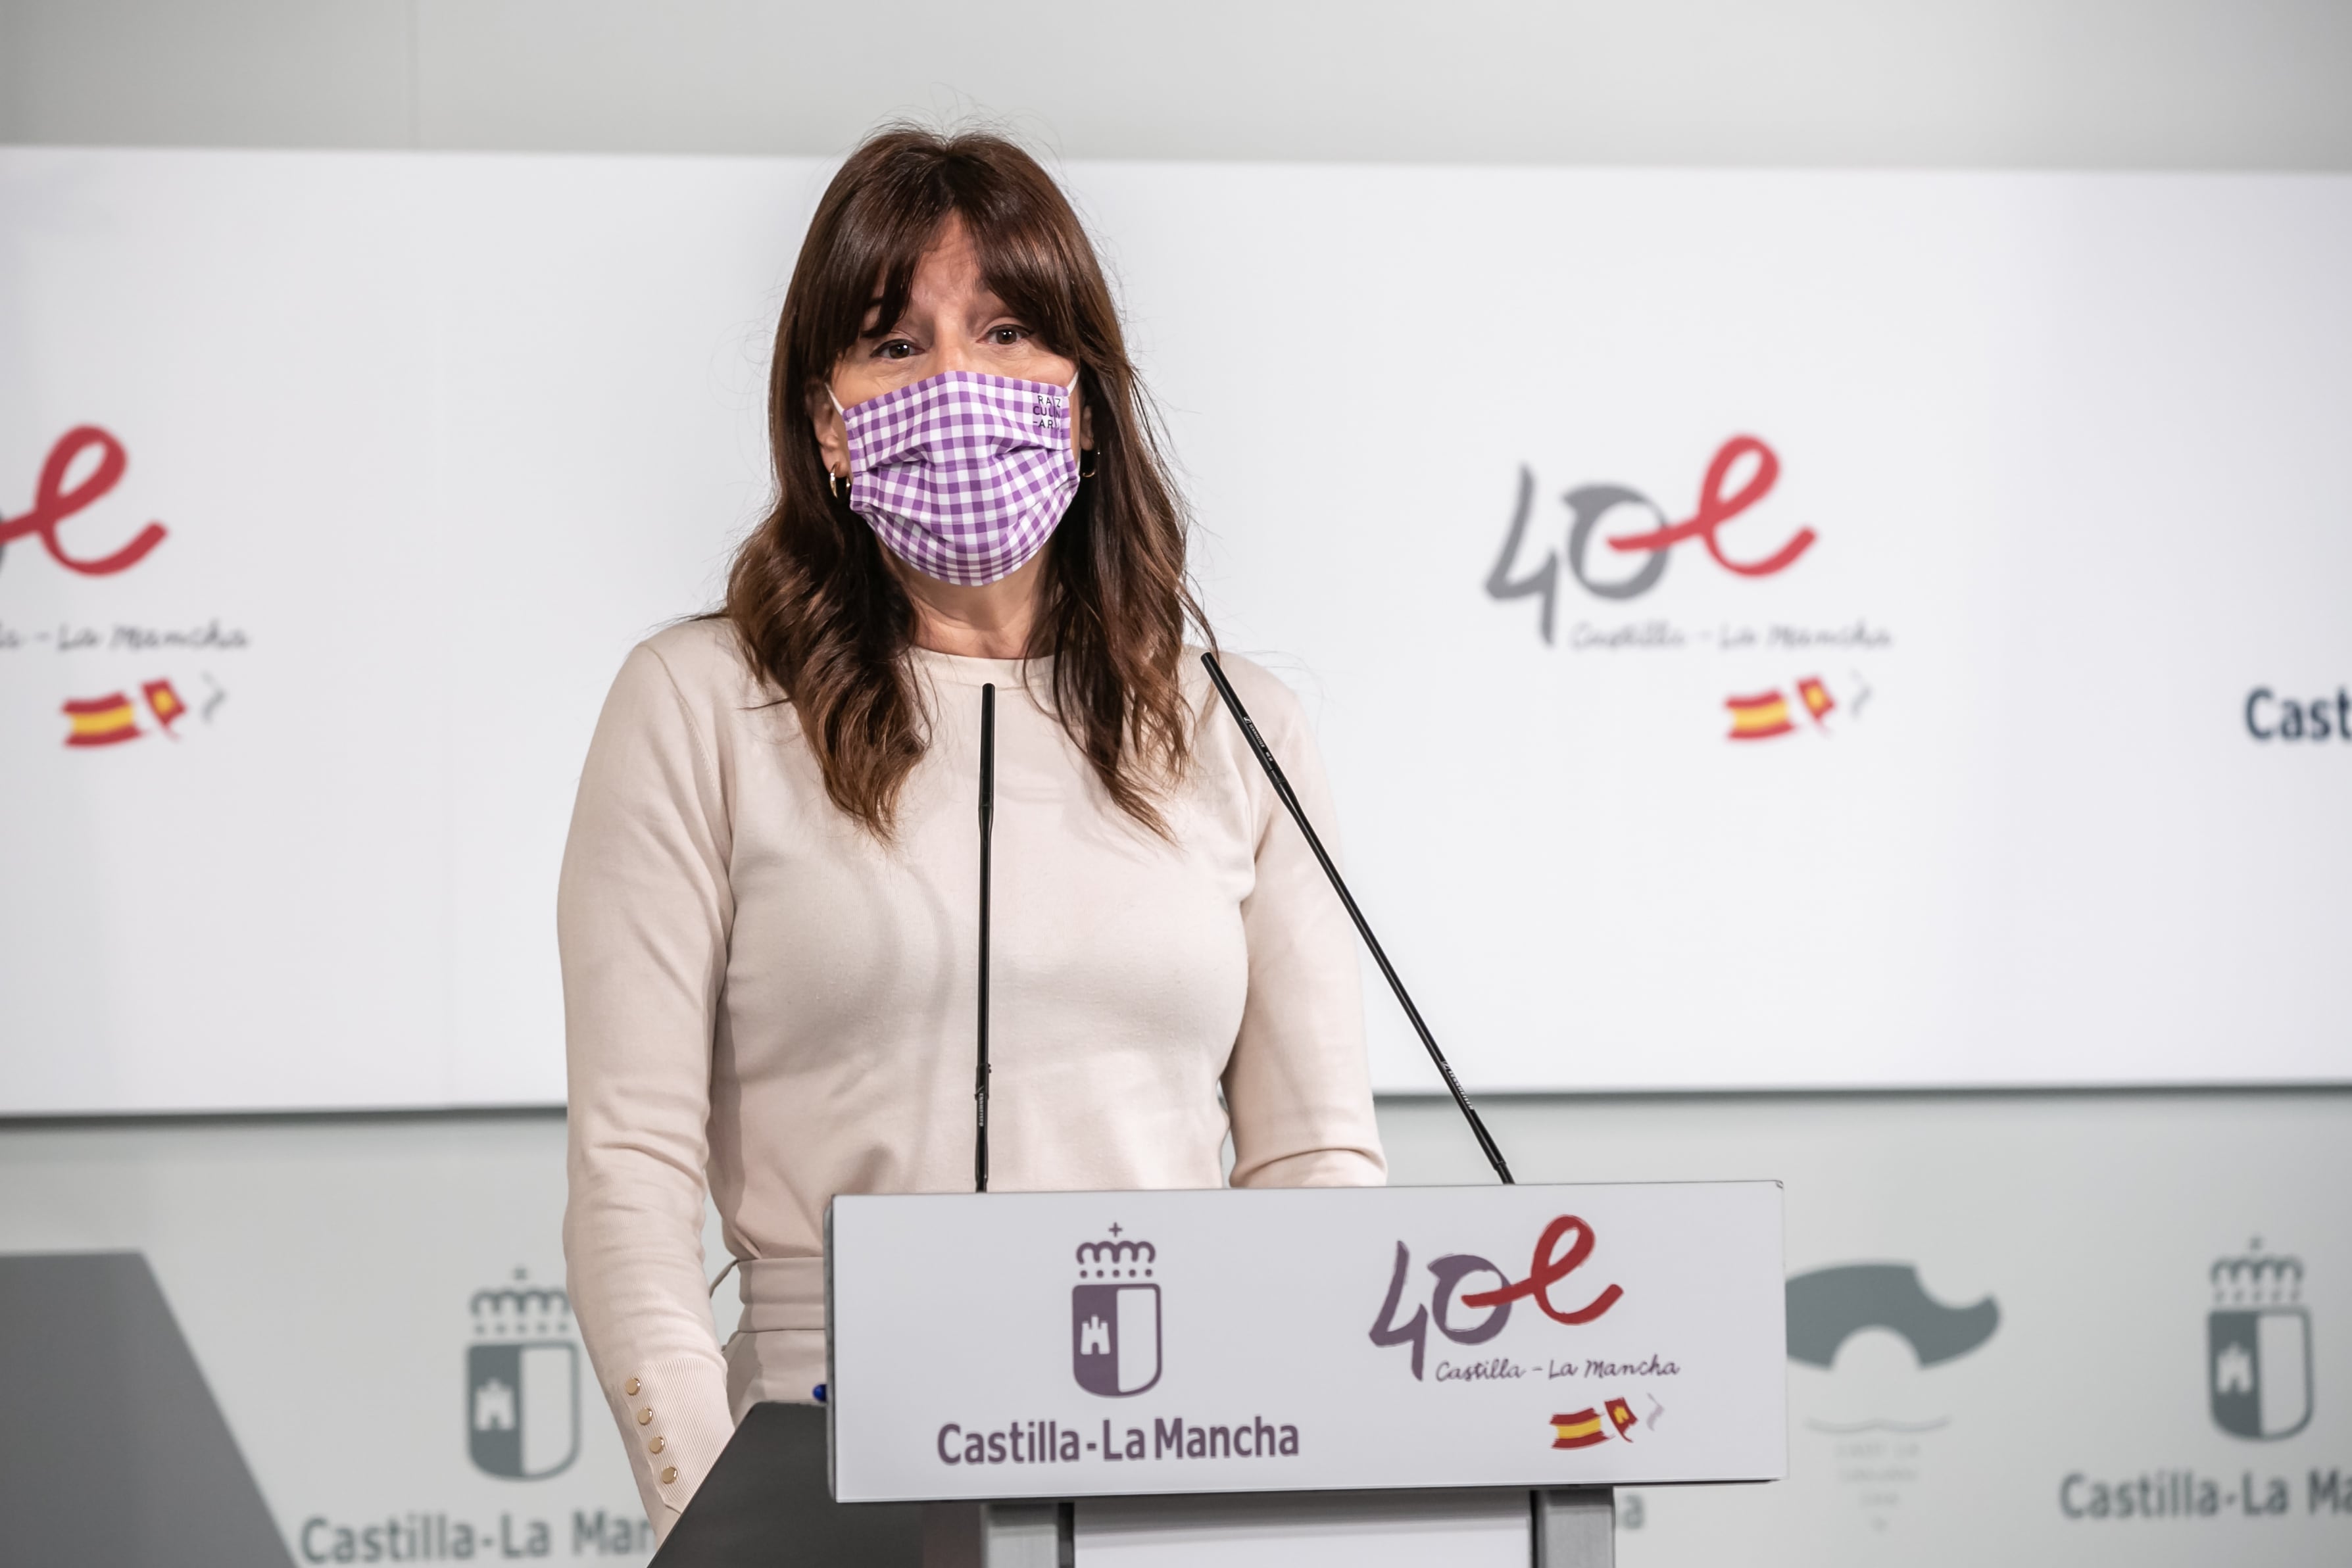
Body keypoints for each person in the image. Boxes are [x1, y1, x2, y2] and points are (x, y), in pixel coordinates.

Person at [558, 126, 1385, 1536]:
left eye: (1009, 331)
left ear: (1081, 400)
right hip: (825, 1459)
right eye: (895, 343)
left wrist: (1300, 1482)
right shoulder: (695, 703)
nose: (957, 383)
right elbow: (628, 1177)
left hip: (1179, 1461)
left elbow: (1316, 1162)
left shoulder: (1239, 726)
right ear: (827, 416)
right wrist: (718, 1523)